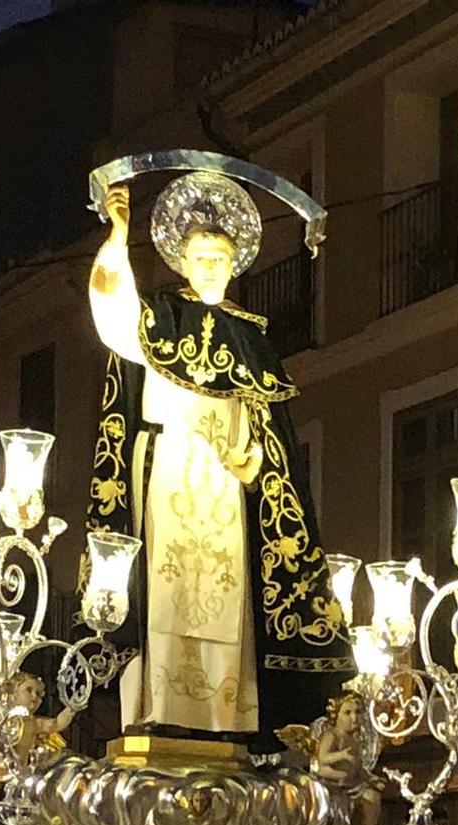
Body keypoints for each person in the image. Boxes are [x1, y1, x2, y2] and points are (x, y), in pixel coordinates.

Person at [86, 174, 349, 738]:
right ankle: (165, 711)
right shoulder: (157, 319)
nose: (210, 267)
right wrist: (118, 237)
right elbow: (113, 314)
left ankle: (223, 716)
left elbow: (267, 442)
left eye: (220, 259)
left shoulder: (251, 339)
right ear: (182, 261)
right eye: (200, 257)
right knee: (170, 596)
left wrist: (250, 464)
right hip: (168, 470)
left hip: (224, 488)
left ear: (235, 266)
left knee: (227, 599)